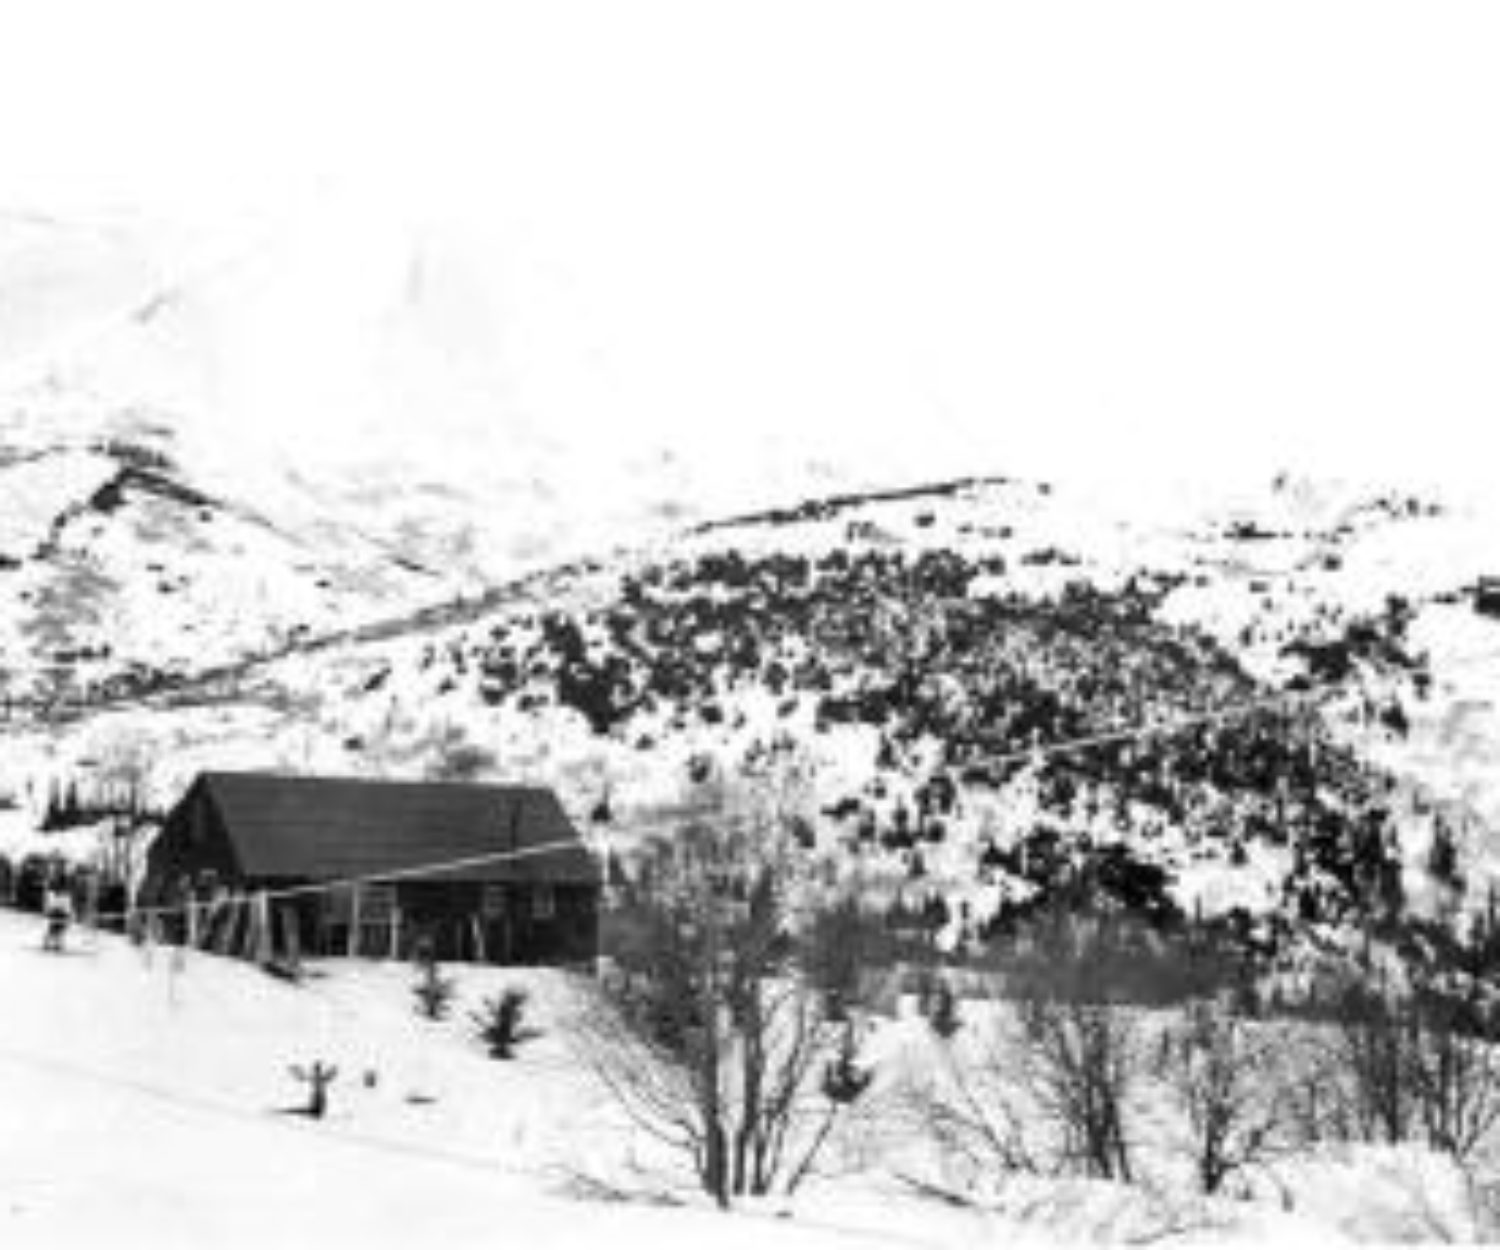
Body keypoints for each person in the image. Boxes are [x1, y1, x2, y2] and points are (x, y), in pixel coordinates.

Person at [42, 882, 75, 953]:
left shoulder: (65, 897)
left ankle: (56, 943)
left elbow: (68, 908)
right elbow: (50, 906)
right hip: (57, 913)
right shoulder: (54, 895)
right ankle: (52, 943)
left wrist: (70, 915)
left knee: (57, 930)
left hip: (60, 914)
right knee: (54, 929)